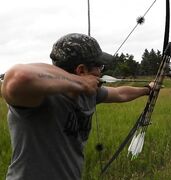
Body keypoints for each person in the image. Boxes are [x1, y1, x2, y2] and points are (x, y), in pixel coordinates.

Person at [1, 33, 154, 180]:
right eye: (99, 66)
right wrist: (80, 82)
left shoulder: (87, 94)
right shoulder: (39, 96)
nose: (101, 72)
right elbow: (19, 77)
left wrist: (147, 89)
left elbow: (120, 93)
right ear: (81, 70)